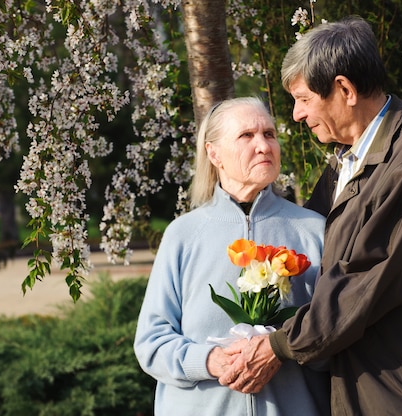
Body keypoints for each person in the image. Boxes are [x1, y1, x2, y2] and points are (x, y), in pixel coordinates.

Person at [219, 16, 402, 415]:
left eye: (304, 99)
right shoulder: (346, 163)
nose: (295, 114)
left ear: (344, 89)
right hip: (364, 384)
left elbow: (367, 280)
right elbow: (306, 253)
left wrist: (279, 345)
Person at [133, 97, 330, 415]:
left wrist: (282, 349)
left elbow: (336, 332)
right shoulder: (182, 236)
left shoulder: (313, 230)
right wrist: (208, 360)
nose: (264, 146)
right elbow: (151, 342)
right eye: (247, 136)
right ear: (214, 153)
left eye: (269, 134)